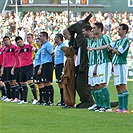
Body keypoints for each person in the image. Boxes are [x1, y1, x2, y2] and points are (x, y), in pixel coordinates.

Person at [15, 36, 38, 104]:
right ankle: (24, 99)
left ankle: (36, 99)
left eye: (20, 42)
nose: (19, 43)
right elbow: (18, 58)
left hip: (29, 66)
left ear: (22, 41)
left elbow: (37, 51)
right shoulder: (18, 50)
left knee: (30, 82)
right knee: (23, 83)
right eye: (18, 43)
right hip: (22, 67)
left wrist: (33, 59)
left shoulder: (28, 46)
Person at [39, 31, 54, 105]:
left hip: (48, 65)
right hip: (44, 65)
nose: (39, 37)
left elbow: (52, 54)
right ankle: (46, 100)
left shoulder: (48, 45)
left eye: (41, 36)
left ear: (45, 37)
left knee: (48, 82)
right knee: (44, 82)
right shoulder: (43, 46)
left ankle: (50, 101)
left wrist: (52, 63)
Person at [1, 36, 18, 102]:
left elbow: (17, 58)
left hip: (12, 66)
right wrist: (2, 68)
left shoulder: (14, 47)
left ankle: (16, 97)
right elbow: (4, 59)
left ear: (10, 40)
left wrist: (14, 67)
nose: (6, 41)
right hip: (6, 66)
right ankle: (10, 97)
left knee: (14, 81)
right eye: (5, 40)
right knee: (7, 82)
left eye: (7, 40)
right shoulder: (4, 49)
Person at [54, 33, 65, 106]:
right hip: (57, 66)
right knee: (59, 83)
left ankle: (64, 100)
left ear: (59, 38)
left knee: (62, 83)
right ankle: (62, 100)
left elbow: (64, 57)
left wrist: (64, 67)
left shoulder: (63, 46)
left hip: (61, 66)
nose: (54, 39)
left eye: (55, 38)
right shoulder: (57, 47)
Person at [33, 38, 44, 105]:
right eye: (36, 41)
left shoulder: (42, 49)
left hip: (39, 67)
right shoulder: (38, 50)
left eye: (38, 41)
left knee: (41, 83)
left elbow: (42, 60)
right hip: (36, 66)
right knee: (38, 83)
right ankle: (40, 99)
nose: (37, 43)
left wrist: (40, 68)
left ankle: (43, 98)